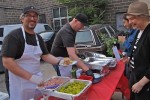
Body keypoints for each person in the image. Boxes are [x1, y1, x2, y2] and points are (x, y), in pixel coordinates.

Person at [1, 6, 66, 100]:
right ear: (22, 18)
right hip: (19, 82)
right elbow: (7, 62)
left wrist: (60, 62)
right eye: (29, 15)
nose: (32, 18)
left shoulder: (38, 38)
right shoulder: (13, 36)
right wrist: (31, 77)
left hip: (36, 80)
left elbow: (46, 55)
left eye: (35, 16)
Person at [51, 13, 94, 77]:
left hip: (66, 57)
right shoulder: (66, 31)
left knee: (70, 75)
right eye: (81, 25)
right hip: (58, 58)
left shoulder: (73, 29)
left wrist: (78, 53)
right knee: (65, 79)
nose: (82, 27)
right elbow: (71, 55)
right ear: (75, 20)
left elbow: (71, 44)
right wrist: (86, 70)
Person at [124, 1, 150, 100]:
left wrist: (141, 83)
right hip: (135, 77)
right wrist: (130, 59)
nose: (130, 22)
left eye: (132, 18)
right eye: (129, 19)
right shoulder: (139, 31)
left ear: (143, 16)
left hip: (145, 84)